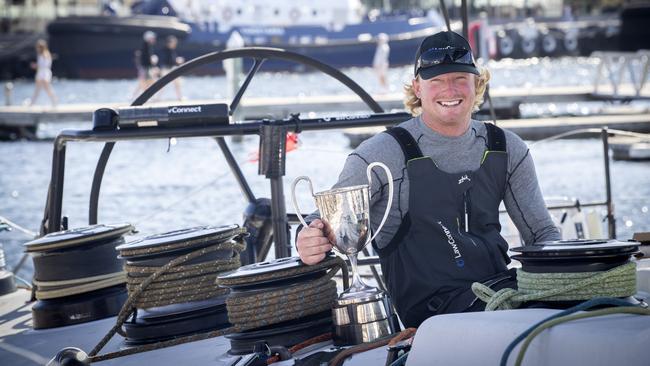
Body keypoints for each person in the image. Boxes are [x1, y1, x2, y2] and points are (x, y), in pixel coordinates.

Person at [296, 31, 560, 328]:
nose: (450, 90)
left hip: (502, 294)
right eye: (436, 80)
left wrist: (570, 279)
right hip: (431, 318)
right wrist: (307, 240)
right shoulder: (381, 154)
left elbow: (542, 234)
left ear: (477, 83)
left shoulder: (507, 147)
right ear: (417, 88)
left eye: (460, 78)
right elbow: (326, 218)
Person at [29, 39, 57, 106]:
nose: (37, 48)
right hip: (42, 73)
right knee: (38, 89)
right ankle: (32, 103)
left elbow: (43, 65)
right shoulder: (44, 54)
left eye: (38, 47)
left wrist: (34, 66)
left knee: (46, 89)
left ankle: (54, 101)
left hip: (44, 73)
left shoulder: (44, 55)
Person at [160, 35, 184, 100]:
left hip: (171, 68)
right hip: (166, 69)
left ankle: (179, 97)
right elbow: (168, 60)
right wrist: (177, 60)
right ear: (170, 42)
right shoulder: (165, 50)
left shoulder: (172, 50)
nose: (175, 44)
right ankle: (158, 98)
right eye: (174, 42)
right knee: (161, 85)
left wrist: (176, 60)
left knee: (177, 83)